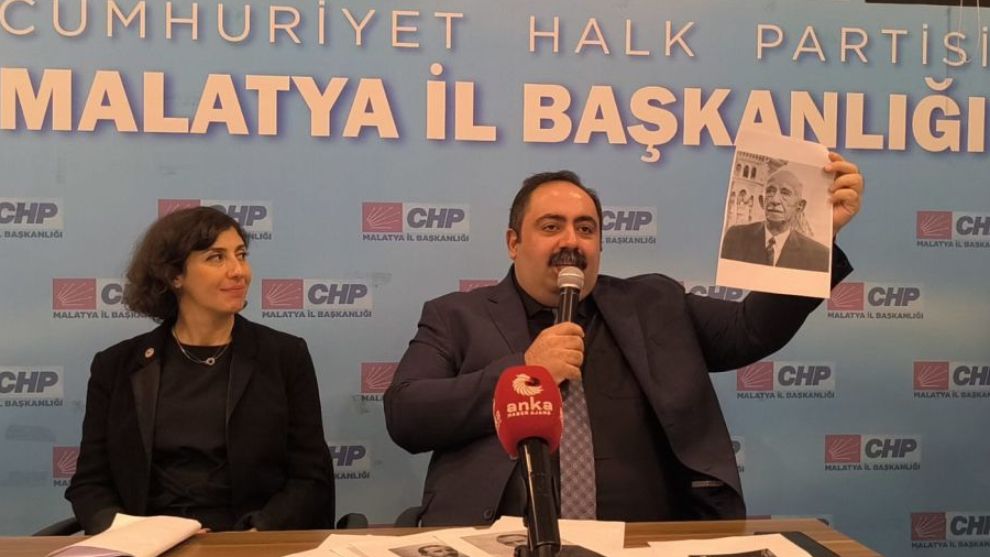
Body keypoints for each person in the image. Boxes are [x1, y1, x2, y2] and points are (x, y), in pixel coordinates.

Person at [384, 154, 863, 526]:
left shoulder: (655, 304)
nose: (571, 241)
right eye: (550, 226)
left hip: (644, 541)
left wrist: (818, 238)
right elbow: (406, 415)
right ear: (514, 242)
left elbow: (749, 329)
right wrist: (523, 372)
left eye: (585, 229)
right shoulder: (456, 316)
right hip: (490, 539)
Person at [66, 207, 334, 534]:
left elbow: (310, 477)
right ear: (174, 275)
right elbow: (90, 484)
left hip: (249, 541)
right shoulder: (116, 366)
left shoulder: (285, 356)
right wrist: (134, 537)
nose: (239, 271)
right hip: (149, 544)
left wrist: (257, 533)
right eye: (216, 258)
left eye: (241, 255)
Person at [720, 169, 830, 272]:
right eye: (770, 191)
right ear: (762, 201)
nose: (775, 200)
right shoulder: (735, 237)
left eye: (785, 193)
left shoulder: (819, 256)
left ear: (800, 206)